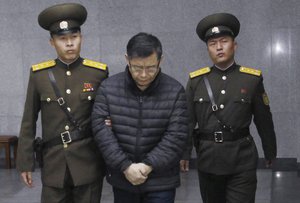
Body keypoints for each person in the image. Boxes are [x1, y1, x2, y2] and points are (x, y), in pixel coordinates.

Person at [16, 3, 108, 203]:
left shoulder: (98, 73)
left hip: (88, 164)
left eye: (74, 37)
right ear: (52, 42)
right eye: (62, 38)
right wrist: (25, 163)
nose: (69, 44)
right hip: (54, 165)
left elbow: (106, 118)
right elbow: (28, 120)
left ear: (81, 38)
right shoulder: (39, 75)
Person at [181, 13, 277, 203]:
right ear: (208, 49)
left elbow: (263, 118)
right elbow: (188, 121)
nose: (218, 47)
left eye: (224, 41)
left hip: (242, 159)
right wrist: (184, 153)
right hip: (209, 159)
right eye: (212, 44)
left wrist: (270, 150)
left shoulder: (251, 79)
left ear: (235, 45)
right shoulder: (196, 81)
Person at [92, 32, 188, 203]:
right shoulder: (108, 89)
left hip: (161, 180)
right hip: (123, 178)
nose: (144, 75)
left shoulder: (175, 91)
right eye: (137, 68)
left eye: (151, 68)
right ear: (127, 59)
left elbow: (176, 136)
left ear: (161, 60)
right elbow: (102, 132)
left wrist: (147, 166)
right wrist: (125, 166)